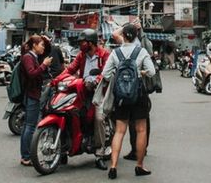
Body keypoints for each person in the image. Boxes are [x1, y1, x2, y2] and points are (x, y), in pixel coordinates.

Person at [104, 22, 156, 179]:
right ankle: (139, 166)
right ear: (136, 36)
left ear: (124, 36)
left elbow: (105, 74)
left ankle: (113, 166)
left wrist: (119, 76)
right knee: (141, 130)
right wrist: (141, 73)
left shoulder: (116, 53)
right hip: (138, 95)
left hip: (121, 97)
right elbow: (152, 72)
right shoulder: (141, 51)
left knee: (119, 131)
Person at [54, 29, 110, 170]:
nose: (80, 45)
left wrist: (96, 81)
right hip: (82, 90)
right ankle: (64, 148)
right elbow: (70, 70)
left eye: (82, 42)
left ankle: (99, 154)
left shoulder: (104, 54)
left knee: (98, 118)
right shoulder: (81, 55)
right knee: (68, 112)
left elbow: (105, 73)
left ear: (90, 43)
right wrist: (56, 80)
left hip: (98, 92)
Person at [19, 35, 53, 166]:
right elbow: (32, 74)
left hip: (32, 94)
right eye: (41, 45)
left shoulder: (32, 56)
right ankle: (26, 156)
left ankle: (25, 155)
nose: (43, 47)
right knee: (30, 126)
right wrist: (44, 65)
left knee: (27, 126)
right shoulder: (28, 57)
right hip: (32, 94)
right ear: (34, 45)